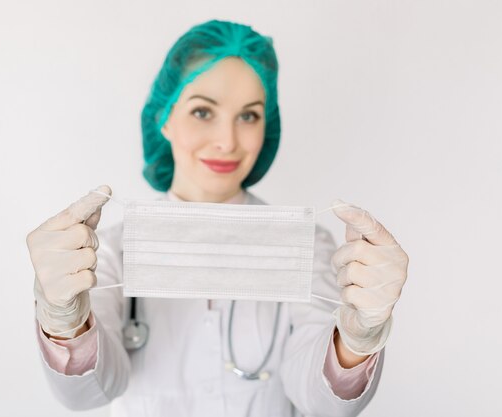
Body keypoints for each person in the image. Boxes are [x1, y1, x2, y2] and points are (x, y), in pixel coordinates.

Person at [26, 19, 409, 416]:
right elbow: (86, 395)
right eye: (203, 111)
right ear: (164, 117)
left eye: (248, 116)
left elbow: (324, 402)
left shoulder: (303, 245)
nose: (227, 140)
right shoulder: (107, 252)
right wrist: (64, 322)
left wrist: (357, 338)